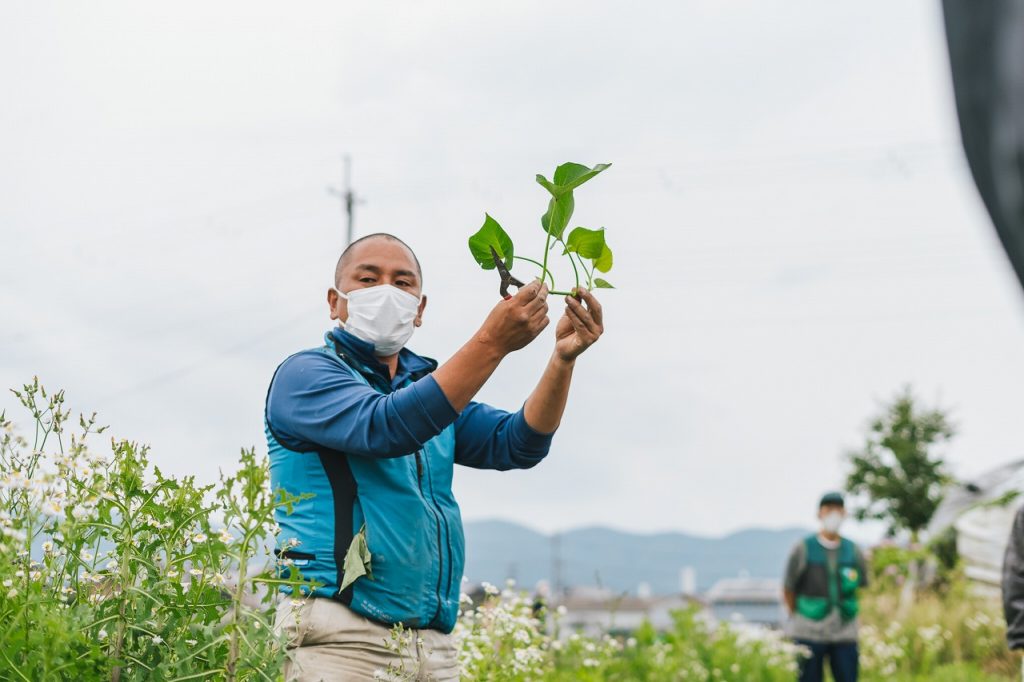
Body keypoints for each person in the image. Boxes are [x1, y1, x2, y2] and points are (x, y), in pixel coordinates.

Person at [266, 233, 604, 681]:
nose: (385, 291)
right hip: (342, 638)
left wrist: (562, 360)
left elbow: (517, 442)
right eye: (368, 279)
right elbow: (385, 426)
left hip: (433, 645)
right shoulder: (306, 375)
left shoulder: (425, 389)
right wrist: (491, 342)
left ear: (420, 309)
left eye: (402, 283)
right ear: (336, 301)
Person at [783, 492, 869, 682]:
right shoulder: (803, 548)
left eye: (838, 509)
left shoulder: (853, 550)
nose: (834, 514)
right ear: (819, 513)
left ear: (845, 513)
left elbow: (861, 586)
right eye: (829, 509)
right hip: (809, 629)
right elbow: (788, 588)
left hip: (845, 631)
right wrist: (797, 614)